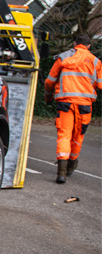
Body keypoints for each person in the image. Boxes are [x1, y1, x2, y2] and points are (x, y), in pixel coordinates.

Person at [44, 33, 102, 184]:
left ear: (75, 43)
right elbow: (100, 85)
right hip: (84, 105)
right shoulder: (96, 62)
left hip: (65, 104)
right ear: (89, 46)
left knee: (64, 135)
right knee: (78, 137)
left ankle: (61, 173)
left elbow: (49, 82)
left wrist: (48, 98)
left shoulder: (62, 58)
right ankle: (71, 165)